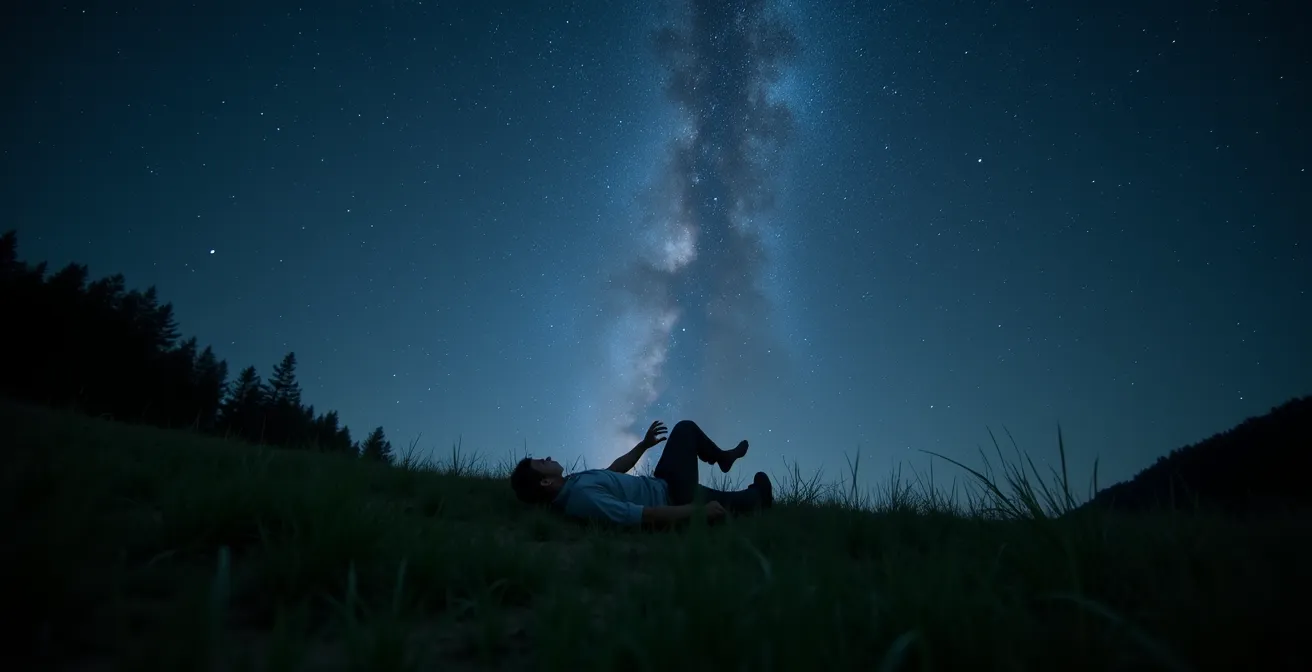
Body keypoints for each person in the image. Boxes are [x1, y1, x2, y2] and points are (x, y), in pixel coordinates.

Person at [510, 419, 773, 527]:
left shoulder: (575, 483)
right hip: (671, 496)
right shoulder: (582, 496)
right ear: (545, 480)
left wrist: (643, 445)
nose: (547, 458)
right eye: (542, 462)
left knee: (735, 501)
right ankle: (724, 459)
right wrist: (697, 512)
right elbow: (645, 515)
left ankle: (758, 497)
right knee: (684, 429)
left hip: (662, 484)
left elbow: (615, 470)